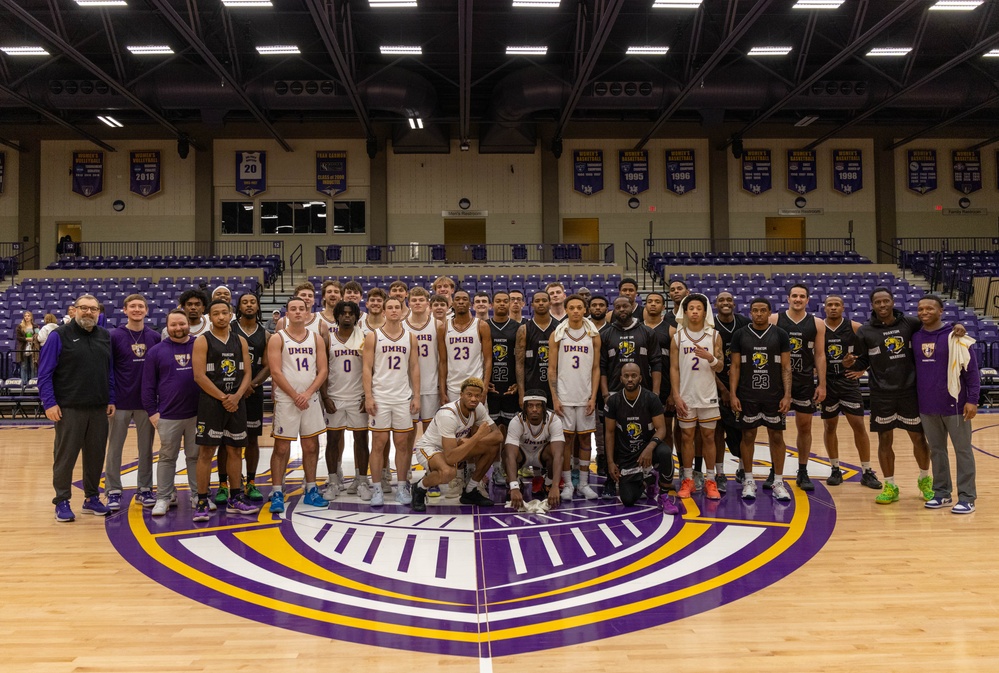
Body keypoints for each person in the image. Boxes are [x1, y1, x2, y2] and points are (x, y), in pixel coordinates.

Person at [843, 287, 937, 505]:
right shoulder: (865, 331)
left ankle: (925, 480)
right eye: (878, 302)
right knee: (885, 440)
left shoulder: (911, 324)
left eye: (886, 301)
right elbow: (862, 360)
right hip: (881, 394)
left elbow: (935, 328)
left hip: (910, 391)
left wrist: (957, 327)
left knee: (918, 438)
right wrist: (849, 364)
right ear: (873, 305)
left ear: (893, 302)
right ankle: (890, 485)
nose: (883, 305)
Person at [39, 294, 115, 521]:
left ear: (99, 313)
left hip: (98, 408)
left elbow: (108, 371)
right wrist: (49, 403)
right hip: (68, 408)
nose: (89, 312)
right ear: (74, 310)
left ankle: (91, 498)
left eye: (93, 309)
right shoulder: (58, 336)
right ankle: (62, 500)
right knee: (65, 457)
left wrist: (111, 398)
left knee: (95, 456)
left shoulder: (104, 336)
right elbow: (44, 374)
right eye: (84, 308)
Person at [191, 299, 258, 522]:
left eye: (224, 312)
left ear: (231, 315)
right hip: (212, 403)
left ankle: (235, 497)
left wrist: (237, 396)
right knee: (206, 453)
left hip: (236, 402)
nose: (221, 317)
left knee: (235, 450)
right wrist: (223, 397)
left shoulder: (240, 341)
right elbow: (199, 376)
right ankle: (201, 499)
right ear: (210, 317)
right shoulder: (202, 341)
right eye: (216, 313)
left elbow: (247, 374)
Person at [913, 295, 979, 514]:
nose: (924, 312)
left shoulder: (956, 336)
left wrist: (972, 400)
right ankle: (941, 493)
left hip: (956, 405)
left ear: (941, 311)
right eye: (921, 309)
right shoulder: (915, 337)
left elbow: (972, 372)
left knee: (963, 451)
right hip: (927, 405)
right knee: (937, 451)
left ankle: (967, 497)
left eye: (930, 308)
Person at [268, 296, 330, 513]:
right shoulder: (278, 338)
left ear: (306, 313)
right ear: (287, 313)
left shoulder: (316, 339)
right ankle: (277, 491)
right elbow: (275, 371)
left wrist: (308, 393)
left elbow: (323, 370)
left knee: (311, 446)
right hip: (287, 400)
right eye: (292, 309)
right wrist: (295, 395)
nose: (297, 312)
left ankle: (311, 489)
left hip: (310, 399)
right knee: (281, 447)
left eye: (300, 309)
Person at [729, 298, 792, 502]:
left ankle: (779, 481)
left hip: (774, 394)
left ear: (769, 312)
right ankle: (748, 480)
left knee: (776, 437)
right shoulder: (740, 335)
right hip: (748, 394)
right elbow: (735, 367)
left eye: (762, 310)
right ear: (750, 313)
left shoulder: (780, 334)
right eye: (755, 310)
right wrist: (733, 394)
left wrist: (787, 394)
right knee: (748, 437)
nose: (758, 314)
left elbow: (785, 367)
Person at [142, 309, 203, 516]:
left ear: (189, 324)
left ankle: (198, 495)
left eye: (182, 324)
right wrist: (152, 412)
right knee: (167, 458)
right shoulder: (156, 351)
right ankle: (164, 497)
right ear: (167, 327)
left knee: (195, 457)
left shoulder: (199, 345)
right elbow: (148, 385)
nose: (178, 328)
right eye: (174, 325)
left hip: (197, 413)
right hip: (168, 414)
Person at [410, 377, 503, 512]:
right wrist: (476, 437)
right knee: (448, 472)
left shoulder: (479, 408)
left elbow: (498, 436)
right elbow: (451, 458)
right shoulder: (448, 414)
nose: (473, 399)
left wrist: (472, 441)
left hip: (454, 447)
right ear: (461, 395)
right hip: (430, 447)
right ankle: (419, 488)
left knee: (492, 447)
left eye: (477, 396)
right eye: (469, 395)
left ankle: (470, 490)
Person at [104, 294, 160, 510]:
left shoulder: (154, 337)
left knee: (146, 449)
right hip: (120, 401)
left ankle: (144, 489)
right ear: (124, 310)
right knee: (115, 448)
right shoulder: (115, 336)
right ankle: (113, 491)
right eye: (132, 306)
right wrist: (110, 398)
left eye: (140, 306)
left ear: (147, 310)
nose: (137, 309)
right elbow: (108, 369)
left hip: (146, 403)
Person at [363, 297, 420, 507]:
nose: (394, 310)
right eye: (390, 307)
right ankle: (377, 487)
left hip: (402, 397)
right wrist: (368, 396)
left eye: (397, 307)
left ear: (402, 311)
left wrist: (416, 396)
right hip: (380, 397)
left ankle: (402, 485)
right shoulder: (373, 336)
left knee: (403, 444)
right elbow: (366, 369)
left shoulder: (410, 337)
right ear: (384, 312)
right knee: (378, 444)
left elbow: (414, 367)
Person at [820, 295, 881, 489]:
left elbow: (873, 348)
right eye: (830, 305)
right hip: (828, 382)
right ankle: (835, 468)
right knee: (830, 426)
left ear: (843, 308)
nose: (833, 308)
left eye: (837, 305)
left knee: (858, 425)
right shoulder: (819, 328)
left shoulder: (854, 327)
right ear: (824, 308)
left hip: (847, 381)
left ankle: (867, 470)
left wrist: (862, 368)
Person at [771, 284, 826, 492]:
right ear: (788, 298)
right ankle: (775, 471)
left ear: (807, 300)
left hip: (804, 380)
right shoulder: (775, 320)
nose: (798, 299)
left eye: (802, 296)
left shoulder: (817, 323)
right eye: (794, 296)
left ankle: (802, 470)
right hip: (778, 381)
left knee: (805, 427)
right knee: (775, 429)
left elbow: (820, 355)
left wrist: (822, 384)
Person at [670, 293, 724, 500]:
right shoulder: (678, 337)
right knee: (687, 438)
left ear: (705, 311)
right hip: (686, 396)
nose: (694, 311)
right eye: (690, 308)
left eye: (698, 308)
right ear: (685, 312)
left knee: (709, 438)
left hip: (708, 395)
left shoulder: (714, 336)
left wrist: (710, 358)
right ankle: (687, 479)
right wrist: (676, 395)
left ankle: (711, 480)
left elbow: (720, 366)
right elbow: (673, 368)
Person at [548, 294, 601, 500]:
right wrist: (555, 397)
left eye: (580, 307)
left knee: (586, 438)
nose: (576, 311)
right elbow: (551, 369)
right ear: (567, 310)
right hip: (564, 395)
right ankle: (568, 483)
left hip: (585, 394)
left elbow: (596, 368)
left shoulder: (593, 335)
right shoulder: (558, 334)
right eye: (572, 308)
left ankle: (584, 483)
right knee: (566, 440)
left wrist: (593, 397)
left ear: (585, 310)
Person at [604, 363, 676, 512]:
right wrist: (610, 462)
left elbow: (662, 429)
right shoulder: (613, 401)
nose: (630, 379)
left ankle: (664, 496)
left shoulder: (651, 398)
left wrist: (650, 448)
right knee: (628, 500)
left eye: (634, 376)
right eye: (626, 376)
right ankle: (649, 479)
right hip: (627, 454)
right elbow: (609, 433)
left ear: (640, 378)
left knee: (665, 452)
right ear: (621, 378)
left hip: (648, 447)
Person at [322, 300, 371, 501]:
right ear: (337, 316)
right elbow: (322, 370)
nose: (347, 316)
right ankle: (333, 481)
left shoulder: (365, 338)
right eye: (343, 313)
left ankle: (361, 480)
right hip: (334, 396)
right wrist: (324, 396)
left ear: (357, 316)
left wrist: (368, 395)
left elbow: (372, 370)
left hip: (358, 397)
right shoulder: (328, 339)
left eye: (351, 313)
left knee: (361, 440)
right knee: (333, 440)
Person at [231, 292, 270, 502]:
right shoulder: (230, 329)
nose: (248, 305)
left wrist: (252, 384)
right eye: (244, 302)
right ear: (239, 306)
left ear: (257, 306)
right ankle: (225, 483)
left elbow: (268, 366)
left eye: (252, 302)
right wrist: (239, 387)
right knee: (229, 441)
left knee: (252, 439)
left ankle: (252, 481)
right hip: (231, 393)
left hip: (253, 392)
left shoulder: (265, 334)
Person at [713, 291, 750, 489]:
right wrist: (724, 391)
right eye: (721, 300)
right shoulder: (710, 326)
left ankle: (743, 468)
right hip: (715, 386)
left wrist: (735, 390)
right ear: (715, 304)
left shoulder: (744, 323)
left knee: (744, 430)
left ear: (734, 303)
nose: (725, 303)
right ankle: (719, 473)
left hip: (741, 385)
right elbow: (707, 364)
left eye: (729, 299)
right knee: (717, 431)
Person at [504, 390, 565, 510]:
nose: (534, 409)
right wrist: (514, 487)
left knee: (556, 452)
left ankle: (547, 484)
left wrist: (555, 486)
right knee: (505, 453)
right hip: (522, 454)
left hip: (542, 454)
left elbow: (559, 455)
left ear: (544, 407)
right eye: (530, 405)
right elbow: (510, 456)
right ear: (525, 407)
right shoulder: (517, 421)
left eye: (538, 405)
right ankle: (517, 482)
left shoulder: (554, 420)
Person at [600, 296, 663, 400]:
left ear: (632, 307)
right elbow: (602, 366)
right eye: (617, 307)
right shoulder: (605, 334)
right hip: (614, 391)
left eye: (625, 306)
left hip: (643, 391)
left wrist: (655, 392)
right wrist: (605, 394)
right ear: (613, 310)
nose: (621, 309)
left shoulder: (648, 332)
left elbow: (656, 363)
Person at [486, 291, 520, 480]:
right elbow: (481, 357)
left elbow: (521, 359)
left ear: (509, 304)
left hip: (510, 387)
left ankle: (509, 468)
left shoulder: (518, 327)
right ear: (492, 305)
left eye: (504, 301)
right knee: (492, 431)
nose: (501, 304)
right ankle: (496, 467)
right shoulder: (484, 327)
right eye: (498, 301)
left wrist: (517, 383)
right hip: (490, 387)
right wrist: (484, 382)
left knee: (509, 431)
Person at [439, 289, 492, 402]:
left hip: (476, 385)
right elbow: (443, 362)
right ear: (452, 304)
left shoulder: (481, 326)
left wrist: (485, 388)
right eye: (457, 299)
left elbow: (488, 359)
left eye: (465, 299)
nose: (461, 302)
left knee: (478, 419)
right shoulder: (443, 327)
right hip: (453, 386)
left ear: (470, 304)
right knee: (454, 419)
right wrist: (442, 392)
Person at [15, 310, 38, 385]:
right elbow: (18, 337)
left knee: (33, 366)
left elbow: (38, 335)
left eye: (28, 316)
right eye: (25, 316)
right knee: (24, 366)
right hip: (23, 348)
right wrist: (26, 339)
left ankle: (32, 383)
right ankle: (24, 383)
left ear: (31, 317)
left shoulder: (35, 326)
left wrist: (34, 338)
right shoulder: (20, 326)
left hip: (33, 348)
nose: (26, 317)